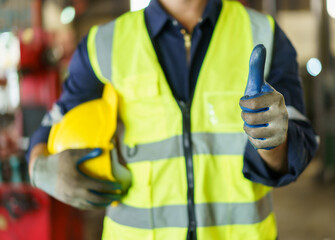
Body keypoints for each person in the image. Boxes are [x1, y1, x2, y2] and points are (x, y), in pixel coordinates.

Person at [27, 0, 318, 239]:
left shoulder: (262, 33)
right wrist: (40, 166)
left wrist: (272, 140)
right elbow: (52, 123)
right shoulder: (103, 44)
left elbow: (299, 147)